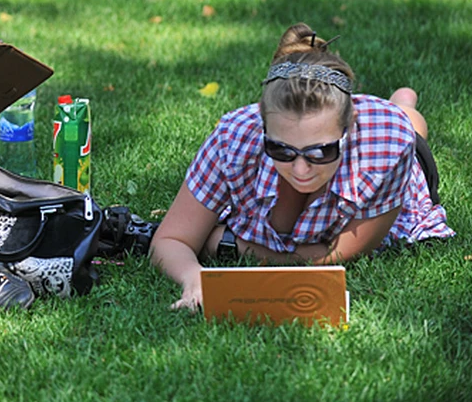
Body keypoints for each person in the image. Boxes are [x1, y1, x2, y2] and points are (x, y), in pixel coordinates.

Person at [150, 23, 454, 310]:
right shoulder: (234, 137)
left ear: (348, 127)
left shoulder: (388, 143)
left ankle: (404, 100)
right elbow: (169, 240)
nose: (300, 169)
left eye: (320, 152)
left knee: (412, 124)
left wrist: (229, 244)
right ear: (262, 123)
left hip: (406, 165)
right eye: (280, 149)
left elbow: (333, 257)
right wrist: (195, 278)